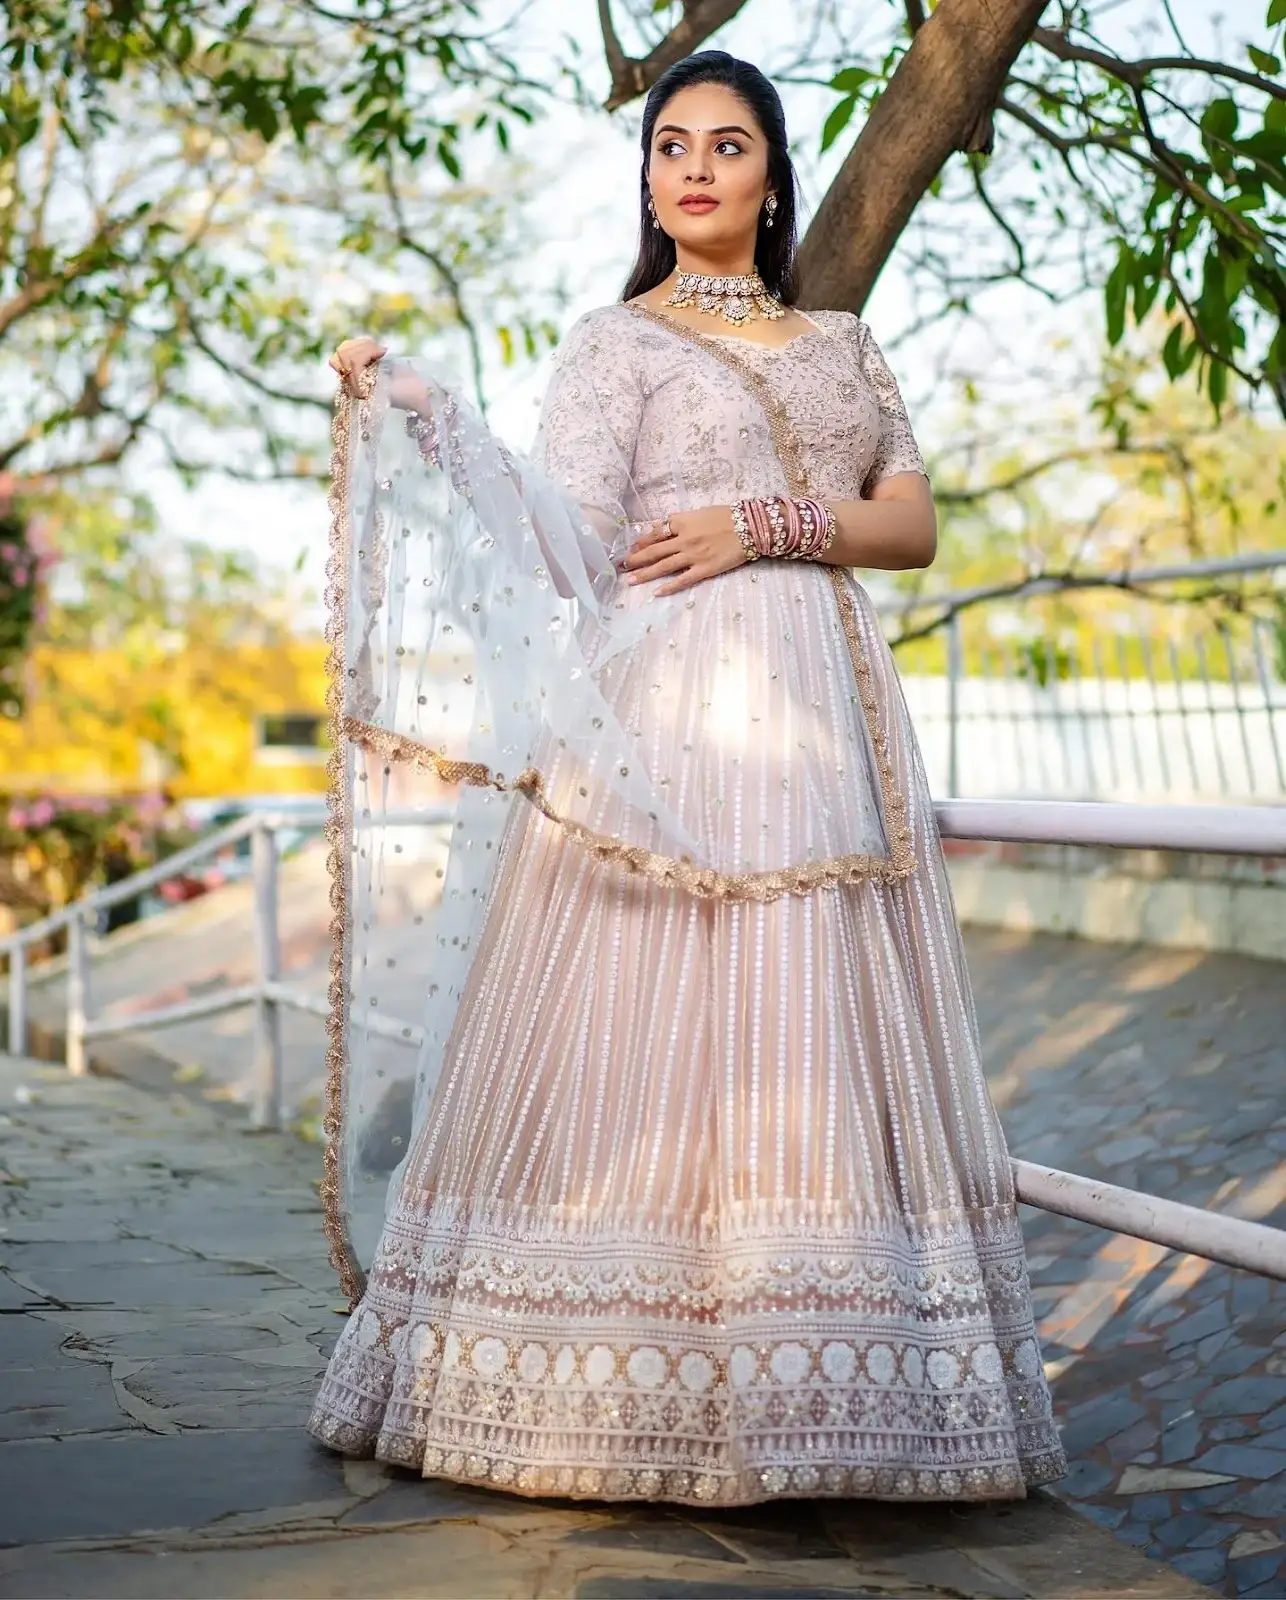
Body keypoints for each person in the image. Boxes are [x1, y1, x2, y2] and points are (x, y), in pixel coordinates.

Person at [308, 49, 1065, 1507]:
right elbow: (565, 541)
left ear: (773, 172)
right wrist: (426, 413)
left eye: (728, 143)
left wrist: (760, 522)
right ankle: (600, 1394)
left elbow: (906, 525)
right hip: (669, 729)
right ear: (649, 179)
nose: (696, 166)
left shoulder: (843, 344)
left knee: (811, 1017)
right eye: (670, 147)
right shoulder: (614, 345)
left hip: (827, 729)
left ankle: (829, 1395)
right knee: (646, 1018)